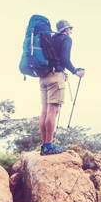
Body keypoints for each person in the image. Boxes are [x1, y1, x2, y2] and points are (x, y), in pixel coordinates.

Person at [39, 20, 85, 155]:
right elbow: (65, 59)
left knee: (44, 111)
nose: (71, 31)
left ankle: (44, 144)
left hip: (43, 77)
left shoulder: (49, 38)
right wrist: (75, 71)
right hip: (56, 77)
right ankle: (48, 146)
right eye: (70, 28)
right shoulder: (66, 39)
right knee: (53, 111)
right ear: (66, 29)